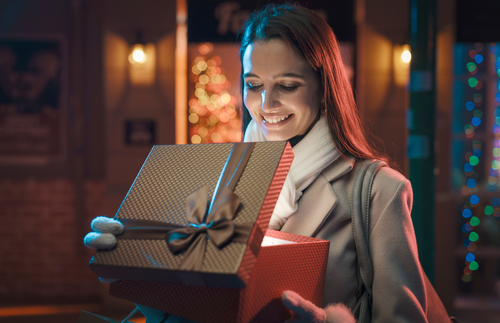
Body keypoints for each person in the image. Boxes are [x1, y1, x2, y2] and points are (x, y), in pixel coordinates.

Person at [86, 4, 427, 323]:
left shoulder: (378, 190)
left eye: (287, 85)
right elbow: (194, 308)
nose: (267, 103)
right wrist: (131, 271)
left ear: (324, 87)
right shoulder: (223, 182)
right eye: (254, 85)